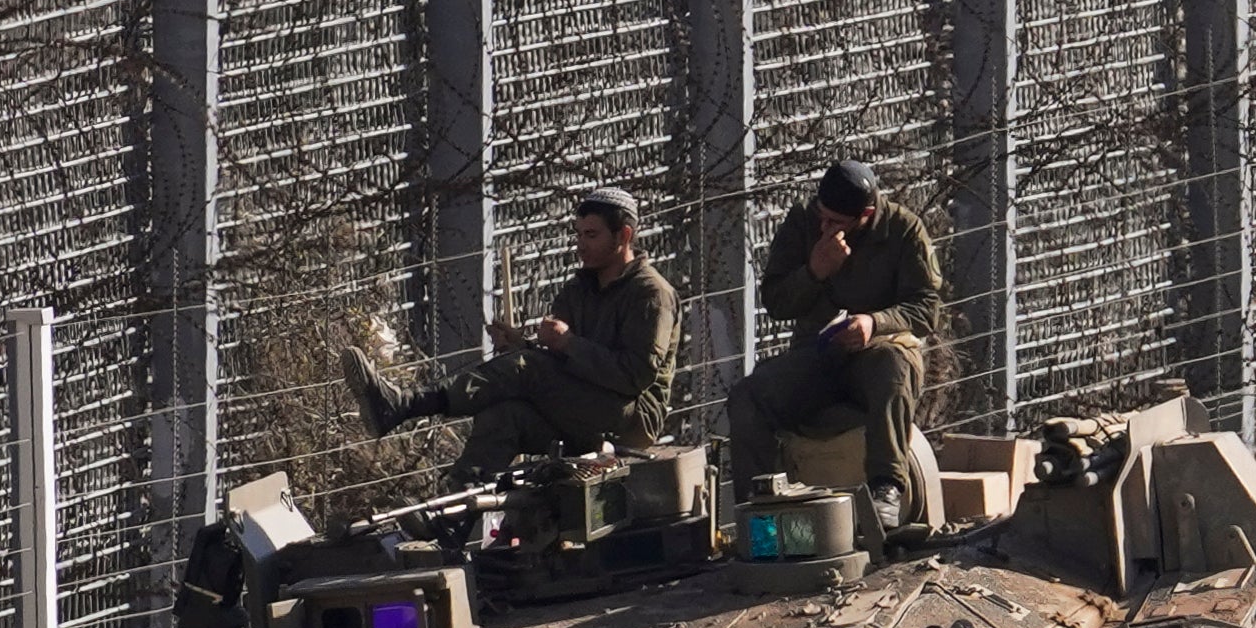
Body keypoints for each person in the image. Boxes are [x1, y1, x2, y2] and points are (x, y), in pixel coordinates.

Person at [341, 187, 679, 483]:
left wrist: (566, 343)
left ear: (623, 236)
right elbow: (562, 367)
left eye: (591, 236)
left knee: (529, 369)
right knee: (503, 419)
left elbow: (635, 376)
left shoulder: (650, 295)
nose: (580, 245)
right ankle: (453, 513)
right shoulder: (580, 290)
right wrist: (525, 345)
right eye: (577, 235)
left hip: (632, 418)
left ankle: (404, 404)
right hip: (587, 406)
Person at [728, 158, 944, 532]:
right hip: (818, 353)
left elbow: (926, 309)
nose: (825, 226)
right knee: (750, 397)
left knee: (892, 370)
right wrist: (814, 271)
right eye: (822, 217)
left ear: (867, 214)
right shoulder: (803, 222)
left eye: (836, 223)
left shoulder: (903, 230)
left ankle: (886, 489)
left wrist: (875, 322)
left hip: (878, 350)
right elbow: (777, 301)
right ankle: (759, 513)